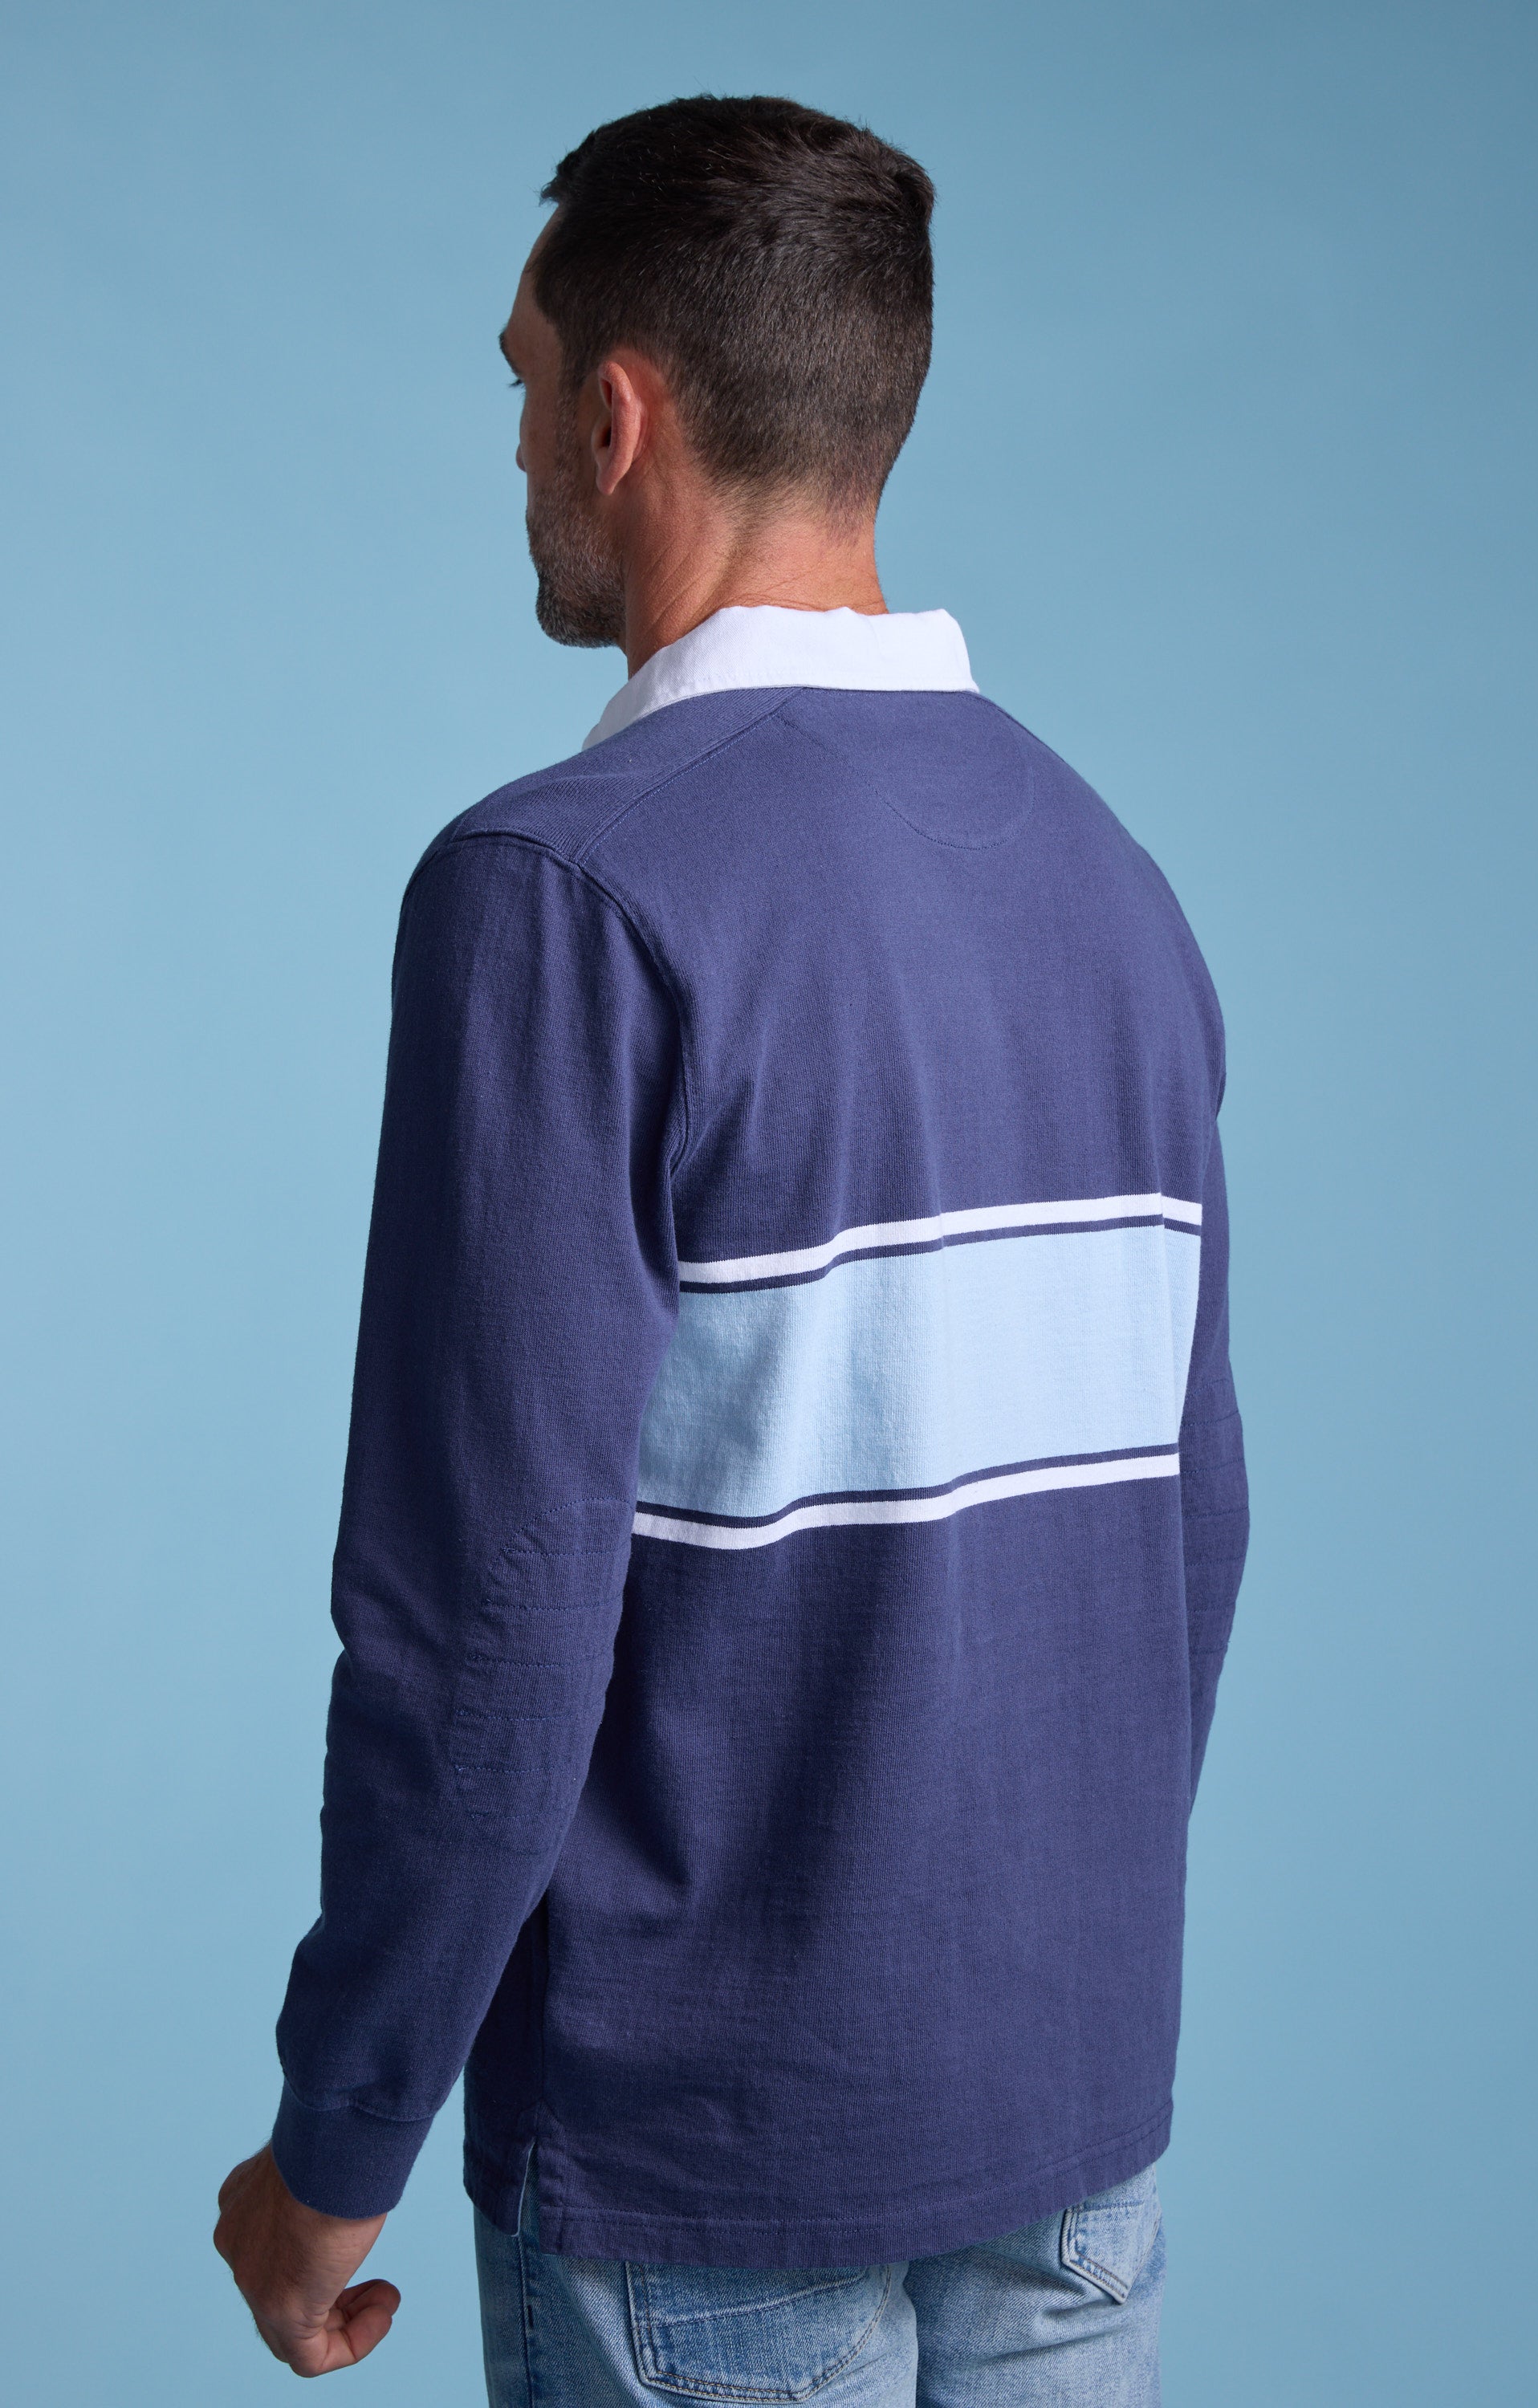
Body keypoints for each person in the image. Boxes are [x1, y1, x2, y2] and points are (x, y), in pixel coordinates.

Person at [214, 94, 1248, 2405]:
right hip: (1074, 2141)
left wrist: (337, 2143)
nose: (510, 455)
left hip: (707, 2173)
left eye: (515, 384)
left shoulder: (562, 896)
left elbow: (480, 1635)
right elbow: (1193, 1532)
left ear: (616, 409)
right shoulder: (1112, 887)